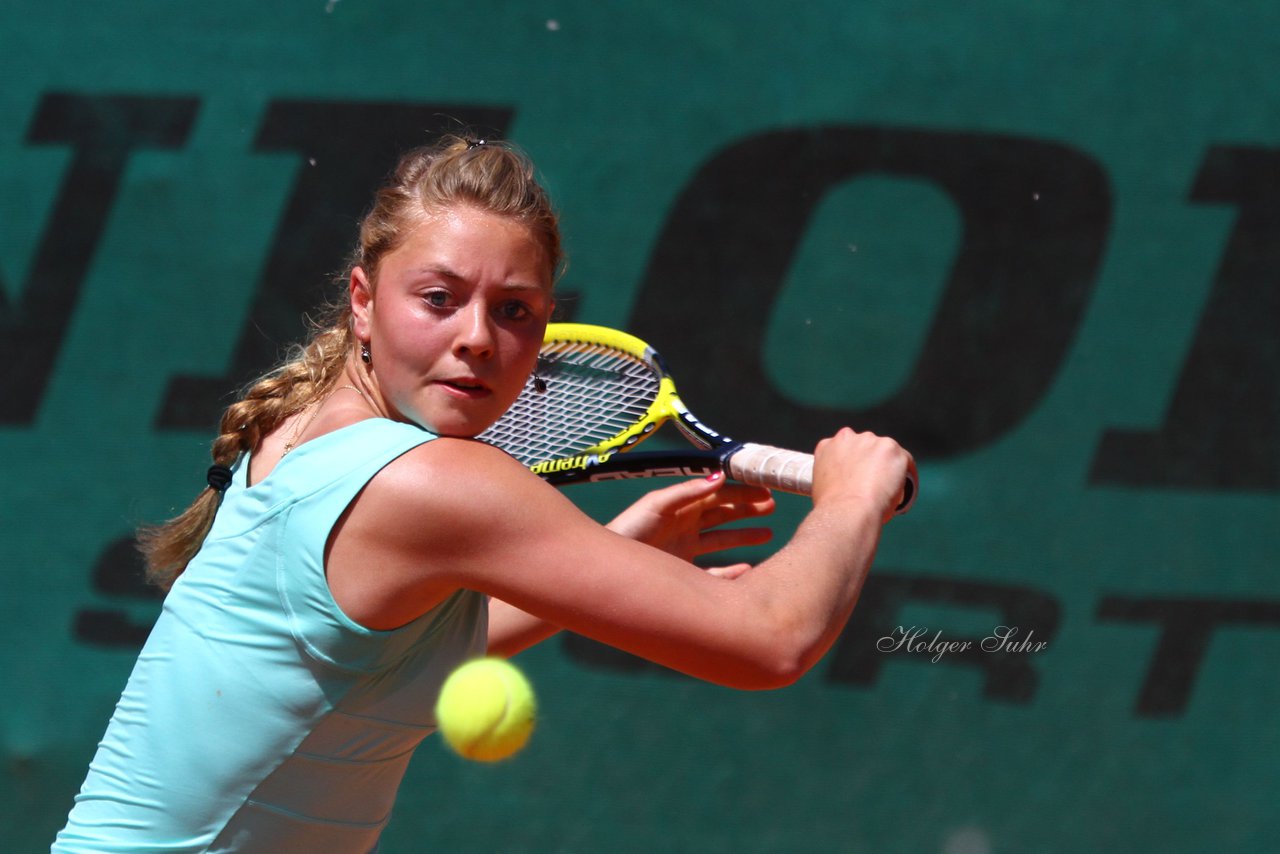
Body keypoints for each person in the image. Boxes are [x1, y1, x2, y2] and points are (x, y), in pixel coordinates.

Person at [53, 136, 915, 852]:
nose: (476, 338)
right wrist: (850, 497)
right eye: (439, 298)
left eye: (514, 311)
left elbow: (363, 667)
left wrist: (619, 553)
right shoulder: (433, 481)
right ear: (362, 300)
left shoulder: (303, 425)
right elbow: (772, 642)